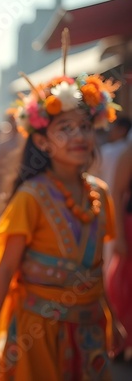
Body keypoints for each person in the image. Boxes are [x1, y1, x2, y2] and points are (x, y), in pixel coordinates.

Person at [0, 32, 123, 380]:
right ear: (42, 141)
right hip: (35, 332)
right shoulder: (31, 197)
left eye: (84, 127)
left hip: (89, 329)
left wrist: (112, 316)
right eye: (65, 129)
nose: (78, 136)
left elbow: (96, 267)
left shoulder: (100, 193)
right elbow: (6, 270)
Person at [106, 141, 132, 363]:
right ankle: (120, 343)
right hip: (130, 228)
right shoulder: (129, 152)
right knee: (126, 288)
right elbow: (116, 192)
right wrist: (120, 236)